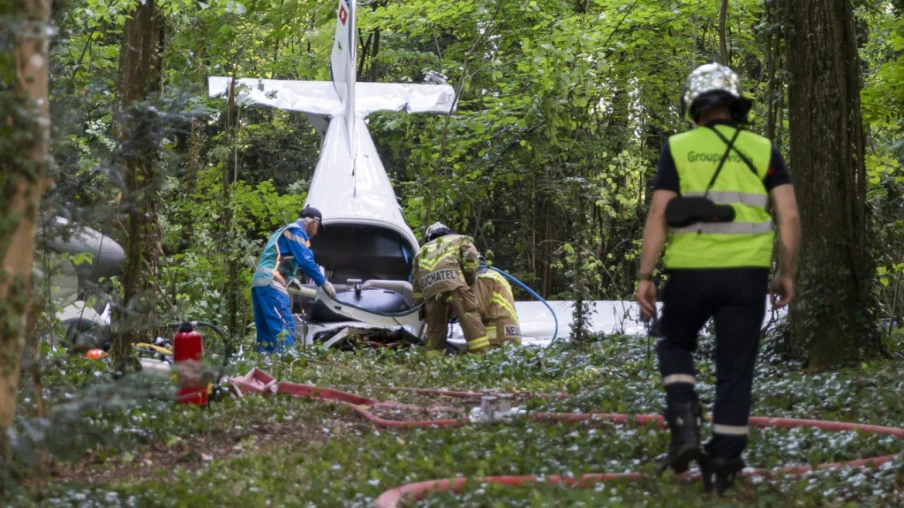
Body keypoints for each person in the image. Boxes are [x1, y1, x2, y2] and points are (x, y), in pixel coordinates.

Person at [634, 63, 800, 495]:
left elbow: (658, 214)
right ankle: (724, 464)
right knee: (735, 367)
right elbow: (789, 214)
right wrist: (786, 272)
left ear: (694, 104)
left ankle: (685, 420)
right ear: (734, 103)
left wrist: (645, 275)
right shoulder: (763, 149)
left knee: (674, 342)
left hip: (690, 272)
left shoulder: (679, 146)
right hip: (746, 277)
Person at [251, 206, 336, 353]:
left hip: (260, 284)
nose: (316, 233)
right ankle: (289, 365)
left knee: (266, 334)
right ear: (313, 223)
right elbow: (305, 260)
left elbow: (278, 257)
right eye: (317, 228)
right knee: (284, 329)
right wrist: (323, 282)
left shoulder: (285, 231)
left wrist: (289, 279)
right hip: (271, 284)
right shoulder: (296, 231)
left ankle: (266, 368)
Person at [411, 222, 489, 354]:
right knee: (469, 317)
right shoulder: (460, 239)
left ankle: (433, 362)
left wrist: (421, 304)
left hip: (430, 290)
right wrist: (469, 281)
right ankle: (480, 355)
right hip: (454, 283)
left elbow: (416, 283)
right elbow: (470, 256)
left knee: (435, 328)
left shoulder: (421, 251)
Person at [472, 255, 521, 347]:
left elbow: (478, 308)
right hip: (509, 333)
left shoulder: (483, 278)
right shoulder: (494, 275)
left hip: (497, 335)